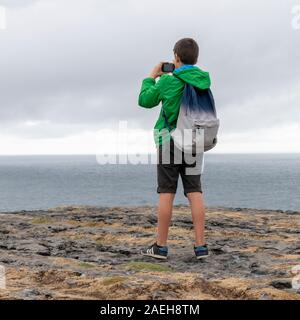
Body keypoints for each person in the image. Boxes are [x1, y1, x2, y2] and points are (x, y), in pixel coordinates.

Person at [138, 38, 210, 260]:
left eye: (173, 57)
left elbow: (145, 100)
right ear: (195, 58)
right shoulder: (203, 80)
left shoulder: (169, 81)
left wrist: (152, 76)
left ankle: (160, 246)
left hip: (169, 140)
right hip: (194, 140)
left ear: (176, 58)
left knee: (167, 192)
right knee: (194, 192)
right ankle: (200, 247)